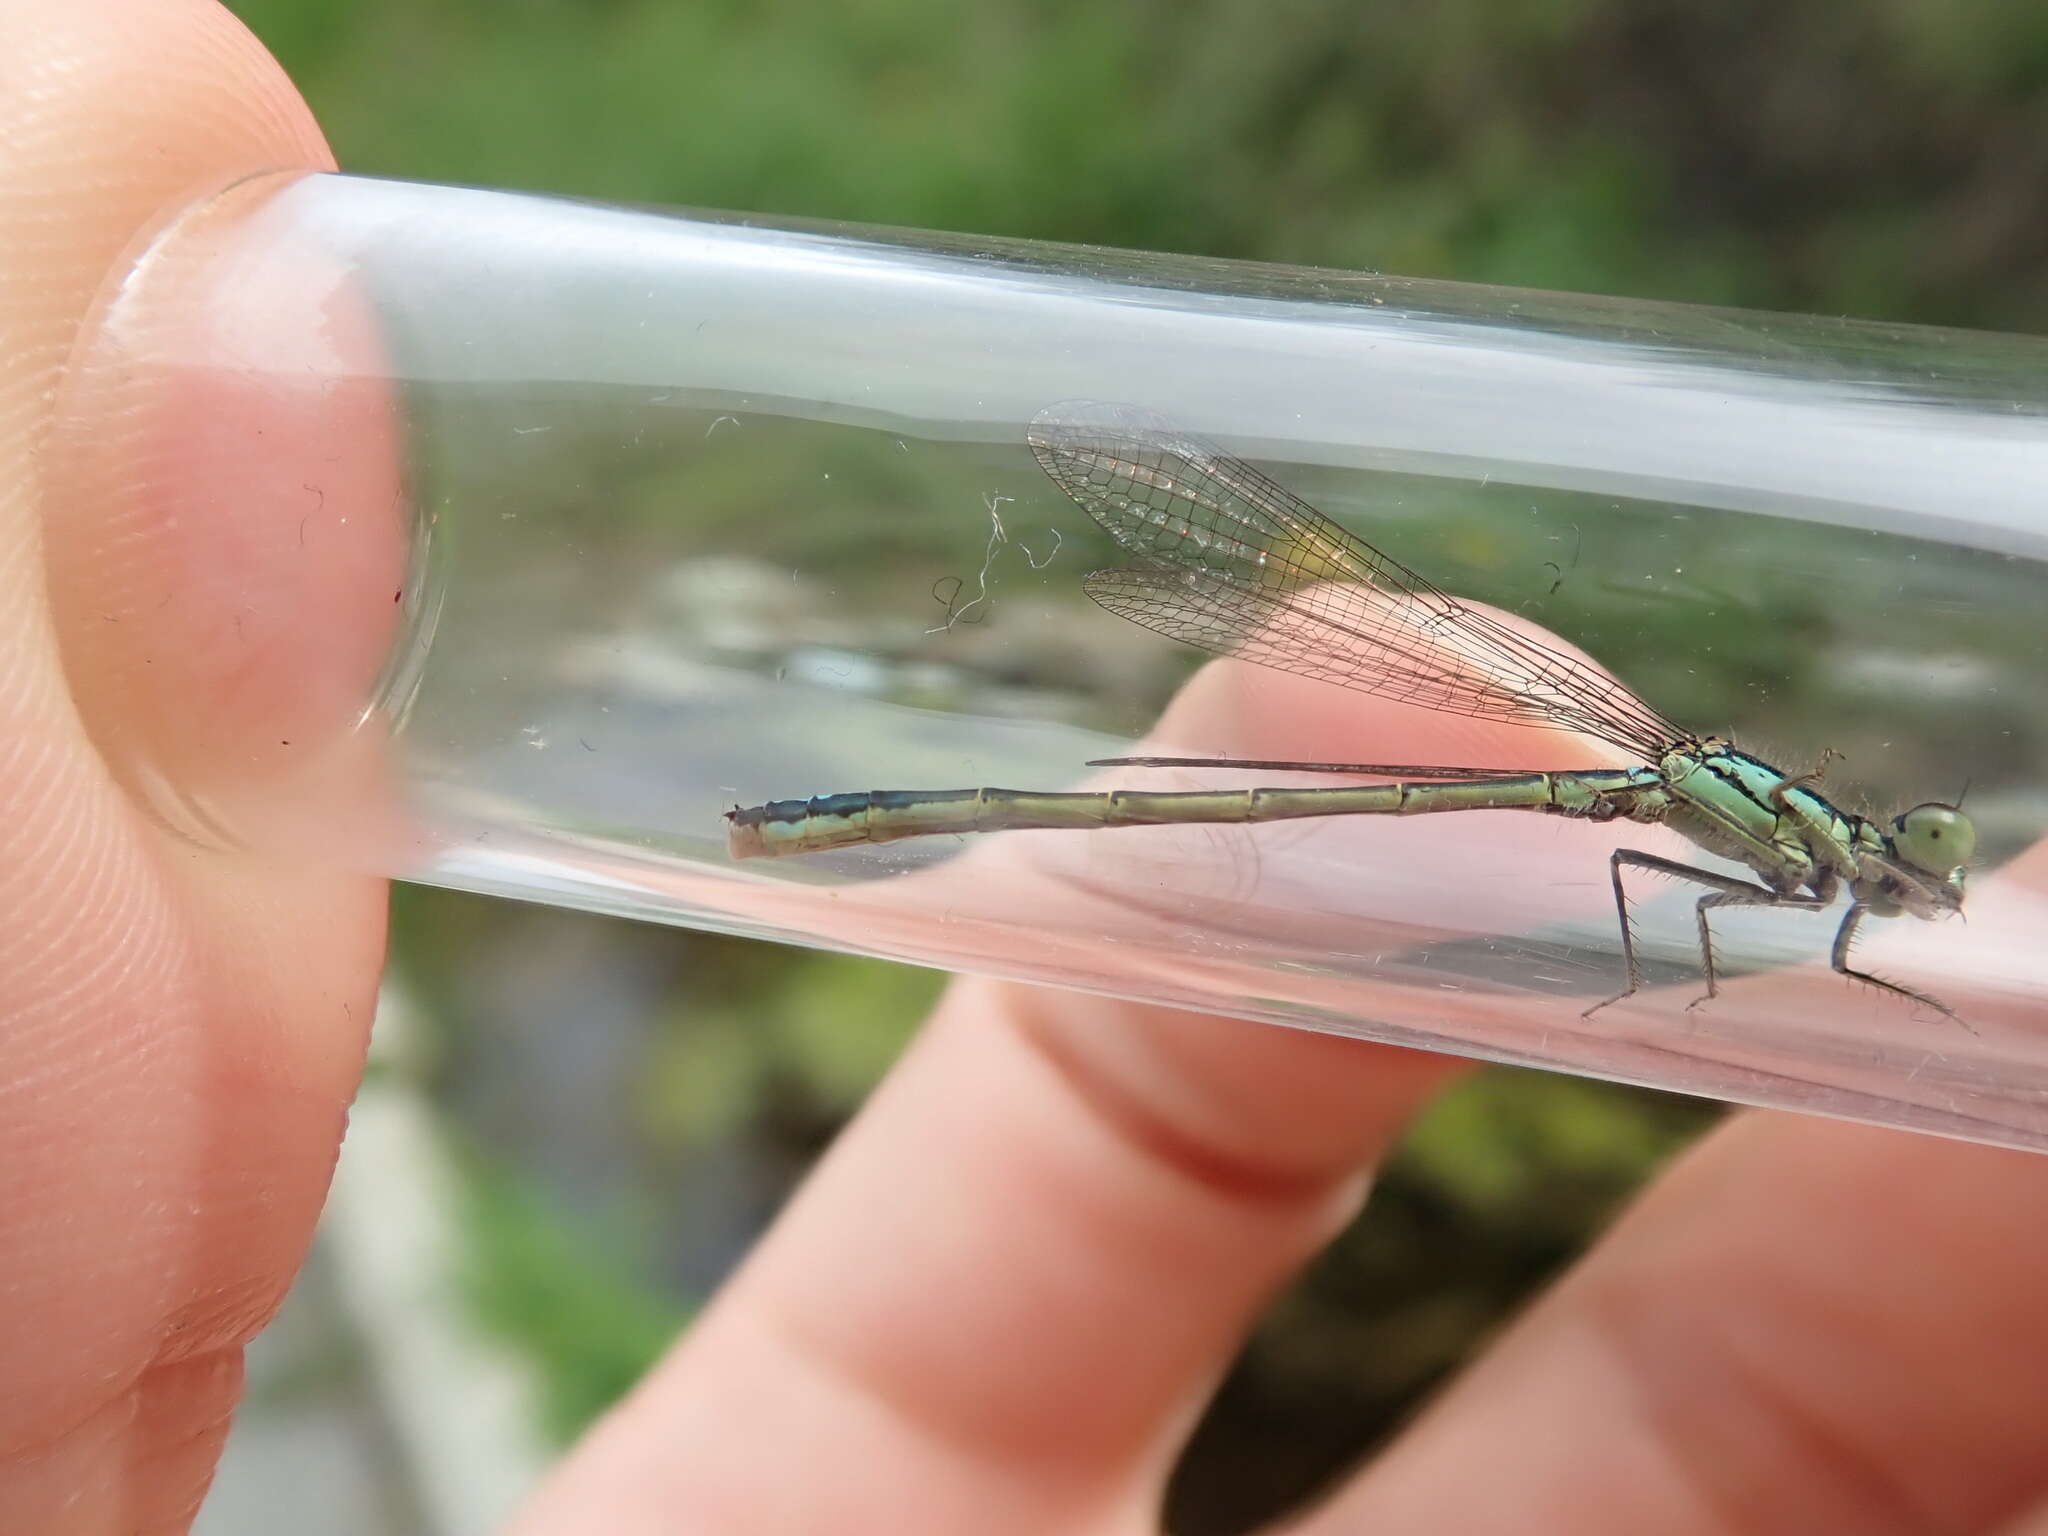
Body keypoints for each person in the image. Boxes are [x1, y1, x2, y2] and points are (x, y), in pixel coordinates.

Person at [9, 2, 2048, 1531]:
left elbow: (1673, 886)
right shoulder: (1786, 854)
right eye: (1899, 865)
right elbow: (1663, 884)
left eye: (1896, 867)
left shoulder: (1790, 844)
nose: (1895, 883)